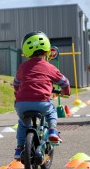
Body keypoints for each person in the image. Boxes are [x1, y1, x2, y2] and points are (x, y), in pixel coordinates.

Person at [13, 31, 70, 160]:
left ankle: (19, 148)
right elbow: (65, 82)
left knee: (23, 124)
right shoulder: (49, 67)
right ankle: (52, 131)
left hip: (22, 104)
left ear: (26, 51)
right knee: (52, 111)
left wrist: (17, 91)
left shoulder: (22, 67)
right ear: (47, 51)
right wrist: (65, 92)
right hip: (42, 102)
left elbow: (16, 83)